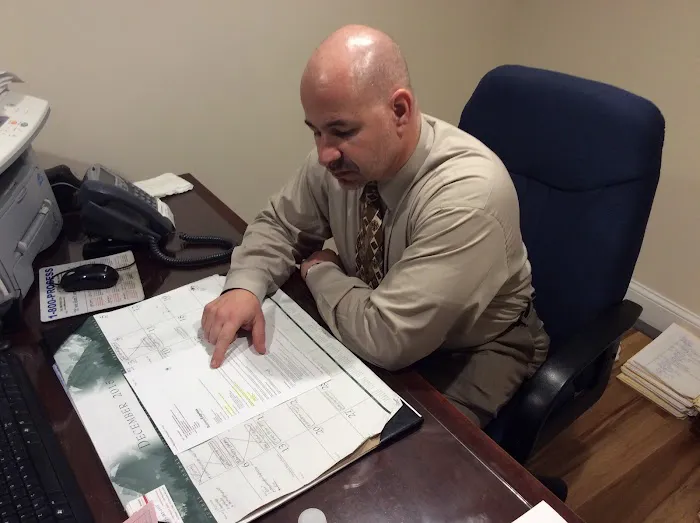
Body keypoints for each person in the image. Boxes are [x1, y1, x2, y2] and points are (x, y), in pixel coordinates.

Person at [201, 24, 549, 427]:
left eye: (341, 131)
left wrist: (320, 272)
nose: (324, 154)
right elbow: (281, 223)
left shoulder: (468, 197)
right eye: (316, 132)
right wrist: (245, 285)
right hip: (376, 314)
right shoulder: (343, 162)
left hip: (474, 345)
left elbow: (388, 338)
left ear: (399, 110)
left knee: (401, 454)